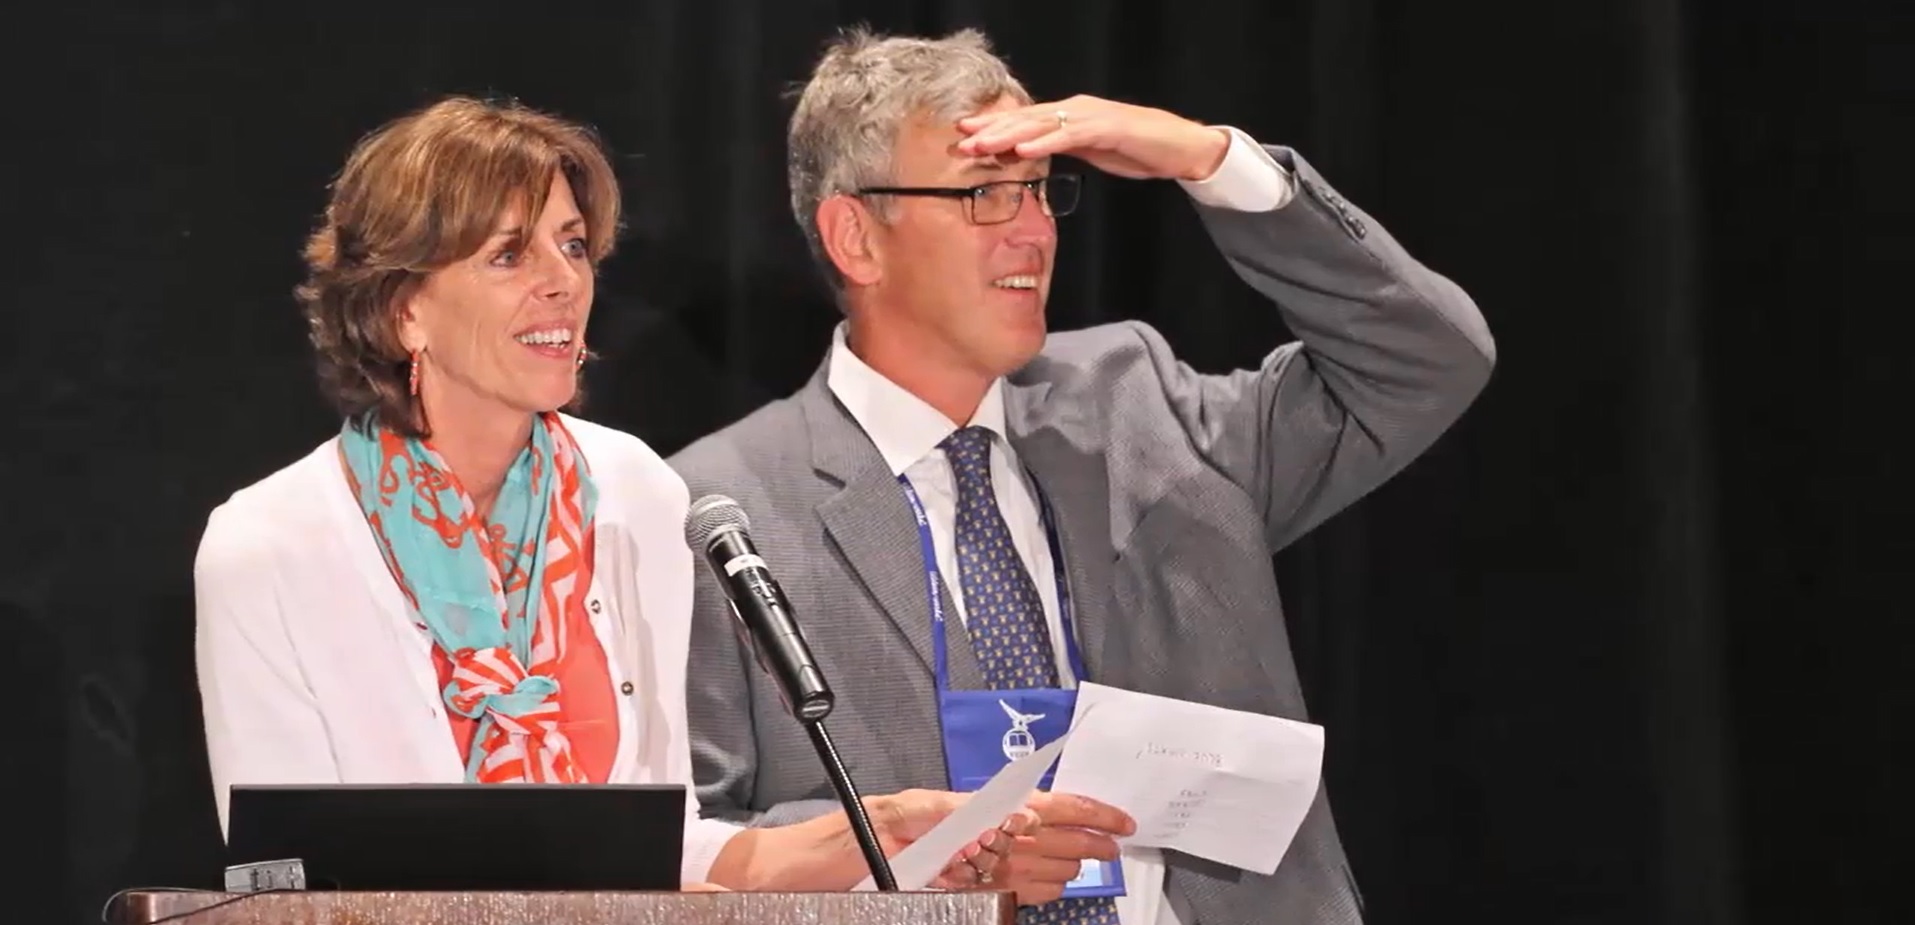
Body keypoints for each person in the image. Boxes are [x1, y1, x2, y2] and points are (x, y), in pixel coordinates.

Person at [671, 27, 1496, 925]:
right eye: (985, 194)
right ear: (856, 237)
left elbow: (1428, 358)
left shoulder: (1139, 403)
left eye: (1038, 190)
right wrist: (919, 856)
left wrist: (1210, 159)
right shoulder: (718, 506)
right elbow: (689, 846)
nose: (1033, 230)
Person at [191, 94, 1020, 892]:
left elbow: (659, 849)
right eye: (509, 255)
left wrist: (876, 835)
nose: (564, 281)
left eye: (574, 245)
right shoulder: (268, 547)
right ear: (403, 309)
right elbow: (284, 889)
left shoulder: (636, 492)